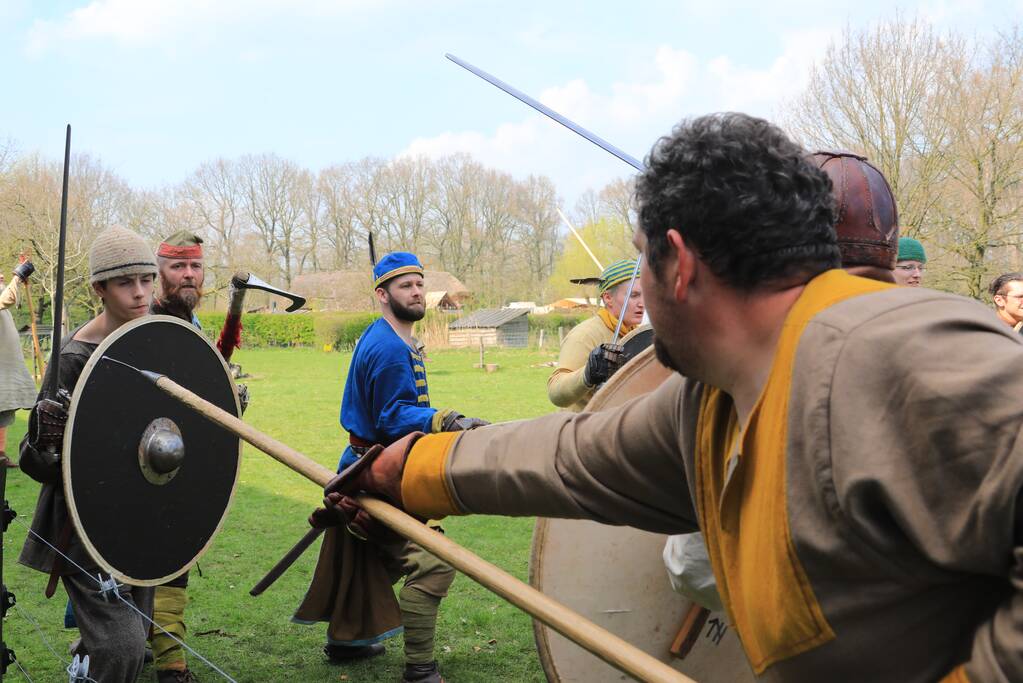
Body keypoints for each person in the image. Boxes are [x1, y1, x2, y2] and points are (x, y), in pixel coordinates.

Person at [332, 114, 1020, 683]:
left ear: (678, 262)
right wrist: (406, 471)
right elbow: (570, 458)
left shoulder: (899, 347)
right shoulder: (711, 399)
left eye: (642, 260)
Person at [297, 252, 485, 683]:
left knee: (363, 555)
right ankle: (420, 670)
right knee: (434, 563)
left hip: (371, 467)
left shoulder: (387, 336)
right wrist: (443, 419)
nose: (416, 291)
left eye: (419, 283)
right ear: (382, 295)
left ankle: (348, 641)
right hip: (373, 475)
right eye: (405, 286)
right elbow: (391, 416)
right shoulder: (386, 347)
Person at [19, 226, 159, 683]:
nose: (140, 293)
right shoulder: (72, 358)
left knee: (135, 633)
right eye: (126, 282)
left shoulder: (157, 337)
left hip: (145, 513)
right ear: (99, 288)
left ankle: (85, 665)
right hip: (85, 524)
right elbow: (34, 462)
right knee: (123, 648)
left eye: (146, 278)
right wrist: (44, 440)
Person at [150, 230, 207, 683]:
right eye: (178, 266)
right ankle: (170, 662)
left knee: (178, 553)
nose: (188, 275)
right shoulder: (145, 323)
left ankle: (167, 653)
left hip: (185, 462)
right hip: (143, 460)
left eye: (195, 266)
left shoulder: (194, 326)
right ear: (159, 272)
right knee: (146, 554)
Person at [547, 259, 644, 411]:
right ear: (607, 298)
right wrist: (588, 374)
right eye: (634, 295)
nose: (642, 303)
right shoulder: (585, 335)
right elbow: (555, 392)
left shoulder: (637, 334)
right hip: (581, 430)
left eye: (645, 294)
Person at [0, 259, 38, 468]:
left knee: (3, 407)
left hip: (4, 368)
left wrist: (19, 280)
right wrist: (18, 275)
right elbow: (8, 298)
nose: (1, 277)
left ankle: (0, 453)